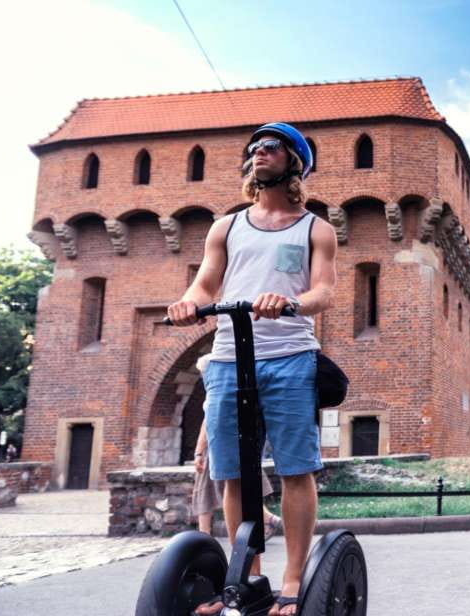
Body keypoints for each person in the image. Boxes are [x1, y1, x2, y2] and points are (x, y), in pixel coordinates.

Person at [168, 121, 337, 616]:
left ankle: (291, 581)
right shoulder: (227, 226)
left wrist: (289, 303)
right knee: (232, 473)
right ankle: (249, 577)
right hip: (226, 359)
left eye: (272, 148)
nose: (260, 153)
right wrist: (187, 303)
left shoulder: (316, 229)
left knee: (295, 469)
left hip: (289, 356)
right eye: (255, 148)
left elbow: (324, 291)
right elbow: (205, 285)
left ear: (294, 164)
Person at [192, 354, 284, 540]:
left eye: (203, 372)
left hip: (221, 445)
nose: (203, 376)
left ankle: (205, 535)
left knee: (231, 484)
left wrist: (200, 452)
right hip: (226, 444)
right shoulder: (219, 389)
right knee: (236, 484)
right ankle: (207, 535)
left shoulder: (219, 390)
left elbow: (208, 424)